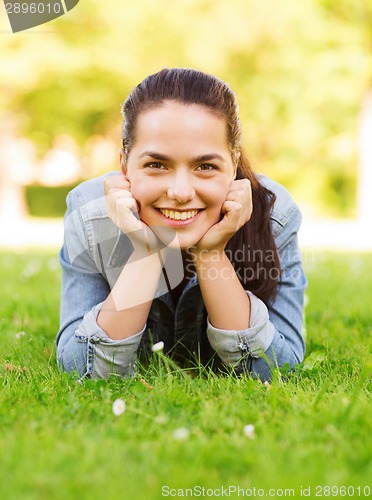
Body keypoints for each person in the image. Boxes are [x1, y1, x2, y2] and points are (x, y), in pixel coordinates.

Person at [56, 68, 307, 382]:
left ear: (233, 168)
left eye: (205, 166)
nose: (180, 192)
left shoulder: (274, 214)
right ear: (124, 166)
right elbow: (81, 369)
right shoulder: (90, 214)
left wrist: (211, 253)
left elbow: (277, 370)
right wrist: (147, 251)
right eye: (157, 165)